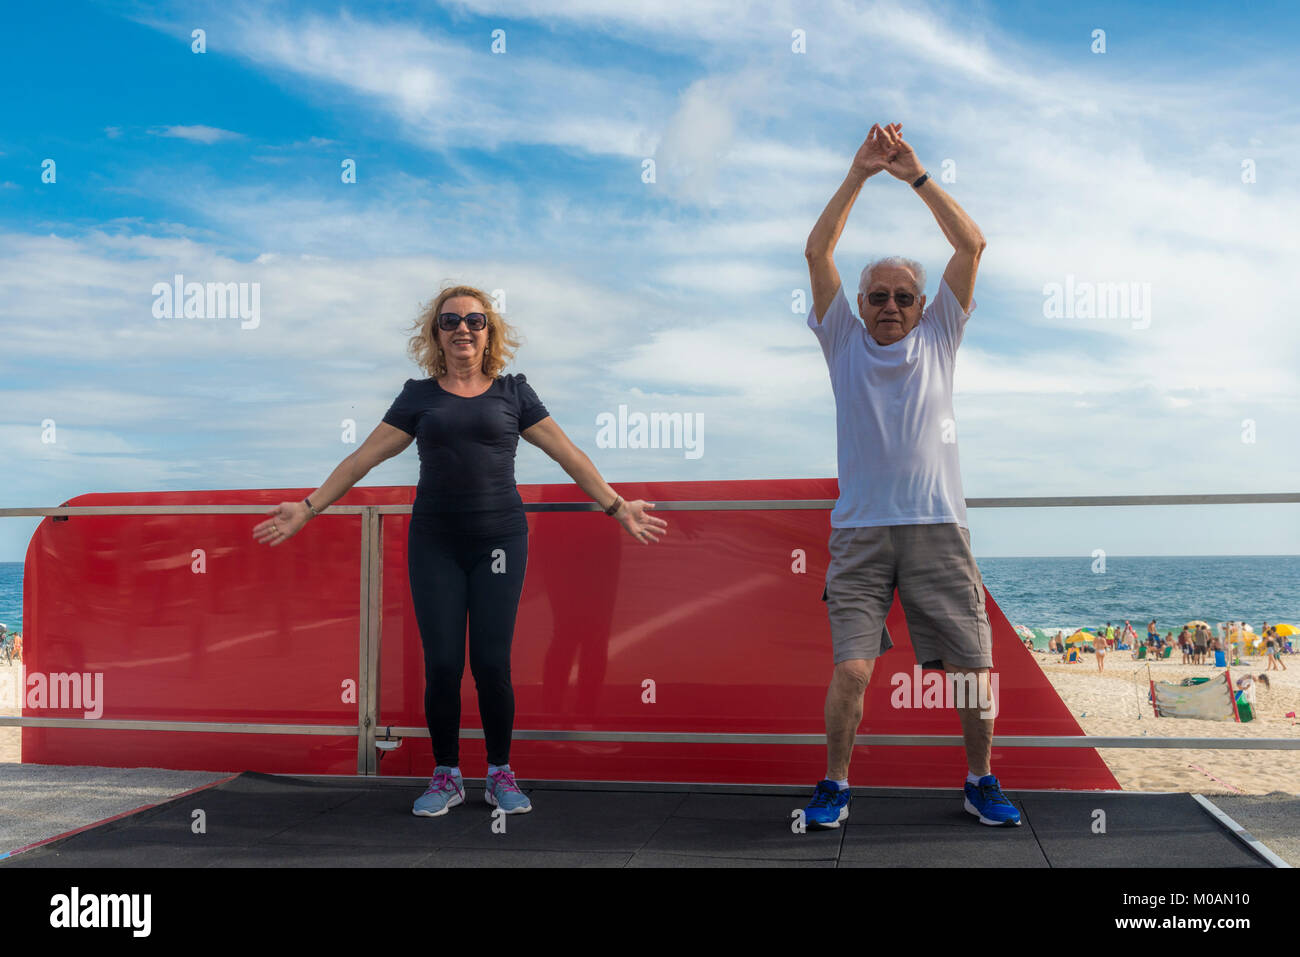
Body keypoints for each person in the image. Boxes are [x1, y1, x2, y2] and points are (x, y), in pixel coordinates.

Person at [253, 284, 668, 818]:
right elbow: (362, 461)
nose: (463, 330)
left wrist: (617, 507)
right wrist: (307, 508)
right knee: (443, 664)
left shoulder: (514, 393)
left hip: (500, 541)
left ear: (488, 332)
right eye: (450, 321)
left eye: (474, 321)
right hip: (436, 544)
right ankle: (445, 774)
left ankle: (499, 772)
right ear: (437, 335)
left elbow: (568, 452)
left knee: (491, 663)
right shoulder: (418, 397)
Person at [802, 122, 1016, 827]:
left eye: (902, 296)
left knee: (971, 669)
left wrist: (915, 175)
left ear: (923, 307)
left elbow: (971, 245)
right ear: (858, 306)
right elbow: (818, 249)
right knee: (854, 669)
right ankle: (835, 784)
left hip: (937, 530)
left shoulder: (940, 335)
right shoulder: (842, 341)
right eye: (878, 296)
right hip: (860, 535)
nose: (889, 306)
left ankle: (979, 779)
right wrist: (859, 173)